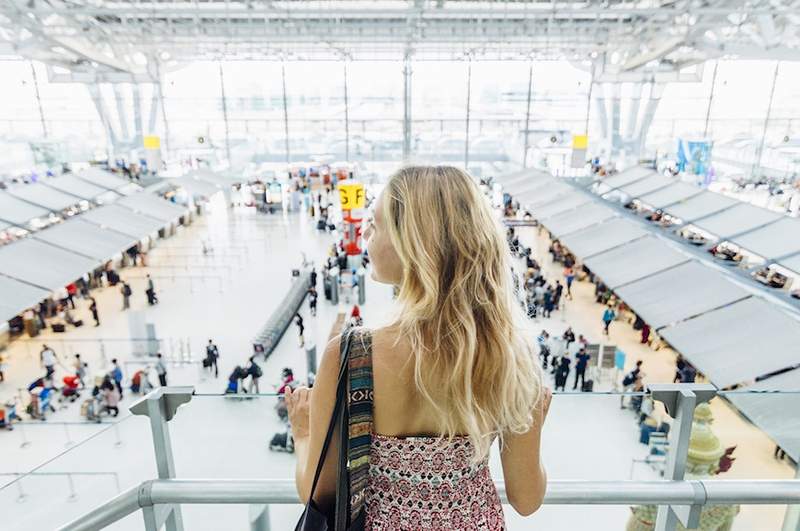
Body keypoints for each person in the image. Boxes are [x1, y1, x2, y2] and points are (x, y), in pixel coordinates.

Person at [285, 166, 549, 528]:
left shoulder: (351, 354)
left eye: (376, 225)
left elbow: (316, 493)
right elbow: (526, 498)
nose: (364, 232)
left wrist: (302, 434)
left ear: (413, 244)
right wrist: (534, 424)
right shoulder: (509, 353)